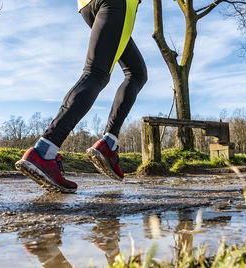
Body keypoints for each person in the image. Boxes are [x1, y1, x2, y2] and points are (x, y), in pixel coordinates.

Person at [15, 0, 147, 193]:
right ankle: (44, 151)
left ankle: (109, 143)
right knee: (96, 74)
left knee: (136, 73)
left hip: (87, 5)